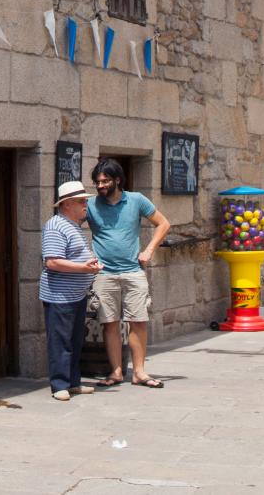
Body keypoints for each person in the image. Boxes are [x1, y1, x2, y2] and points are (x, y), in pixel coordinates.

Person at [86, 158, 172, 388]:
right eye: (97, 182)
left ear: (117, 180)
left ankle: (139, 373)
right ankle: (115, 372)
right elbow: (72, 224)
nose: (101, 185)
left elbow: (163, 224)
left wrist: (149, 250)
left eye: (105, 181)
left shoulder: (136, 200)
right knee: (110, 323)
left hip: (133, 271)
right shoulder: (91, 205)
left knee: (139, 321)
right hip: (104, 274)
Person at [40, 180, 102, 402]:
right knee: (61, 341)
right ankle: (59, 385)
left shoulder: (72, 225)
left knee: (75, 340)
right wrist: (84, 267)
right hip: (59, 295)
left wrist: (89, 265)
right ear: (67, 204)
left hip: (75, 294)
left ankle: (73, 382)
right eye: (81, 201)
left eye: (85, 201)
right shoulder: (56, 226)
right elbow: (53, 262)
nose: (86, 205)